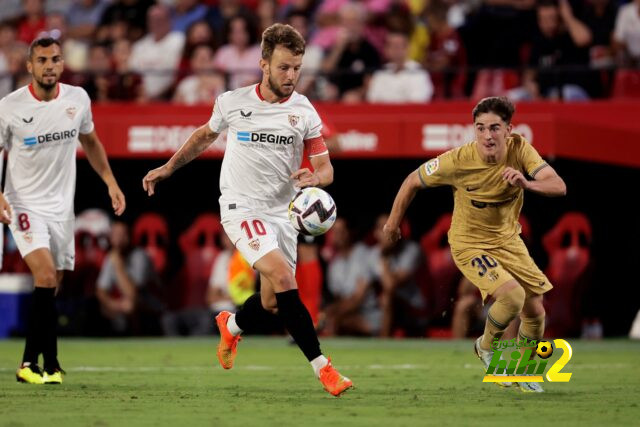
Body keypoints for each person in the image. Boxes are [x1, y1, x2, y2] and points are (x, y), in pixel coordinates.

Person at [142, 23, 353, 396]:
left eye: (297, 68)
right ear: (264, 64)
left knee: (273, 302)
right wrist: (167, 167)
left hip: (283, 213)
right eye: (284, 67)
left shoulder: (303, 111)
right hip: (242, 208)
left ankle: (232, 325)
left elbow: (327, 169)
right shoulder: (233, 102)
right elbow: (203, 136)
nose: (291, 76)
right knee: (287, 282)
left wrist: (315, 178)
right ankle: (325, 369)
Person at [383, 97, 566, 393]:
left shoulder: (521, 150)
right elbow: (412, 181)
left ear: (509, 129)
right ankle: (485, 345)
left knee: (536, 311)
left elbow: (558, 185)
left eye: (495, 128)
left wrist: (526, 184)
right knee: (513, 297)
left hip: (508, 240)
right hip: (469, 243)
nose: (487, 136)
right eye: (480, 128)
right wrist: (392, 224)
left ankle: (523, 370)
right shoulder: (458, 160)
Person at [0, 37, 126, 384]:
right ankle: (29, 364)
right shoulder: (9, 107)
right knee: (43, 276)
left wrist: (110, 182)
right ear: (30, 66)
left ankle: (51, 365)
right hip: (23, 204)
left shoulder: (77, 99)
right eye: (42, 60)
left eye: (55, 59)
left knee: (53, 283)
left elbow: (91, 141)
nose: (50, 66)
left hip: (60, 208)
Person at [96, 221, 160, 335]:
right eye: (115, 235)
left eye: (122, 235)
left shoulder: (140, 256)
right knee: (101, 306)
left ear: (129, 237)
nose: (118, 239)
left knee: (130, 305)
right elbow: (101, 290)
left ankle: (138, 342)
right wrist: (112, 304)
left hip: (151, 306)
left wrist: (118, 266)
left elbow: (132, 293)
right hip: (123, 303)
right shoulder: (112, 256)